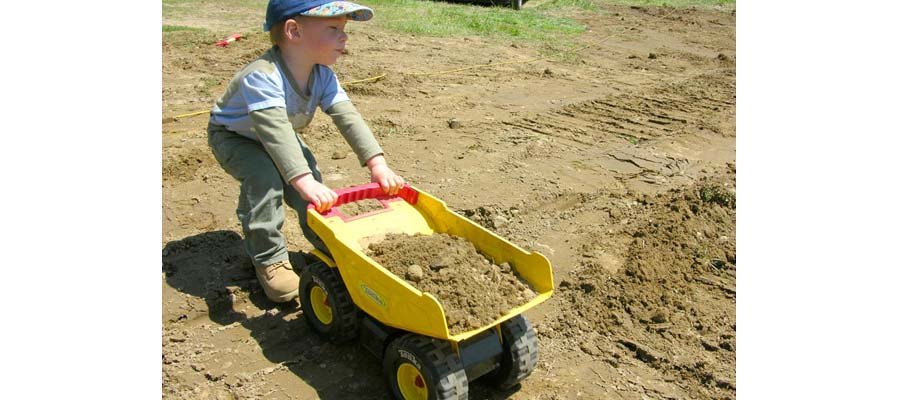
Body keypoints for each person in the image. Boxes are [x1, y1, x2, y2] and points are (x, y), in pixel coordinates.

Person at [206, 0, 405, 303]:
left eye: (345, 29)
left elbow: (348, 118)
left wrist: (377, 164)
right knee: (266, 178)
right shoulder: (262, 75)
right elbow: (274, 130)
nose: (344, 37)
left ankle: (324, 241)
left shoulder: (323, 76)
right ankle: (269, 259)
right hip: (236, 137)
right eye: (333, 29)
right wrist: (302, 180)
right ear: (293, 31)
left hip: (281, 134)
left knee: (307, 181)